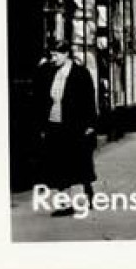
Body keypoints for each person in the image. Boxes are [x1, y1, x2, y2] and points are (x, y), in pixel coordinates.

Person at [36, 41, 97, 214]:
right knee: (59, 163)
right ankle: (65, 203)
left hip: (74, 124)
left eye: (56, 55)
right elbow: (40, 91)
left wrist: (90, 124)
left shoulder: (80, 73)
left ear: (66, 54)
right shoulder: (49, 72)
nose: (52, 59)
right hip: (55, 124)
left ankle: (87, 189)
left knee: (78, 162)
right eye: (51, 55)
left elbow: (89, 100)